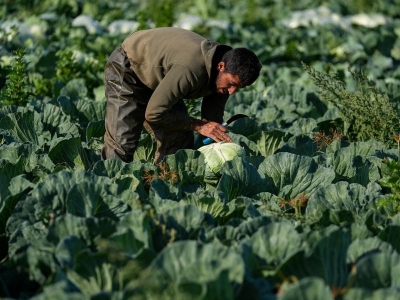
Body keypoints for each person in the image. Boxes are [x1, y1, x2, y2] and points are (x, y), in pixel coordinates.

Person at [102, 27, 262, 163]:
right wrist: (199, 126)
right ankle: (108, 184)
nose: (232, 91)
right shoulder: (191, 69)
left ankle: (166, 184)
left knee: (179, 137)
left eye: (238, 87)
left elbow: (212, 117)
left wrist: (217, 146)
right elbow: (155, 113)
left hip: (163, 76)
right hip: (130, 67)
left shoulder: (224, 75)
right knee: (123, 143)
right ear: (221, 66)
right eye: (232, 84)